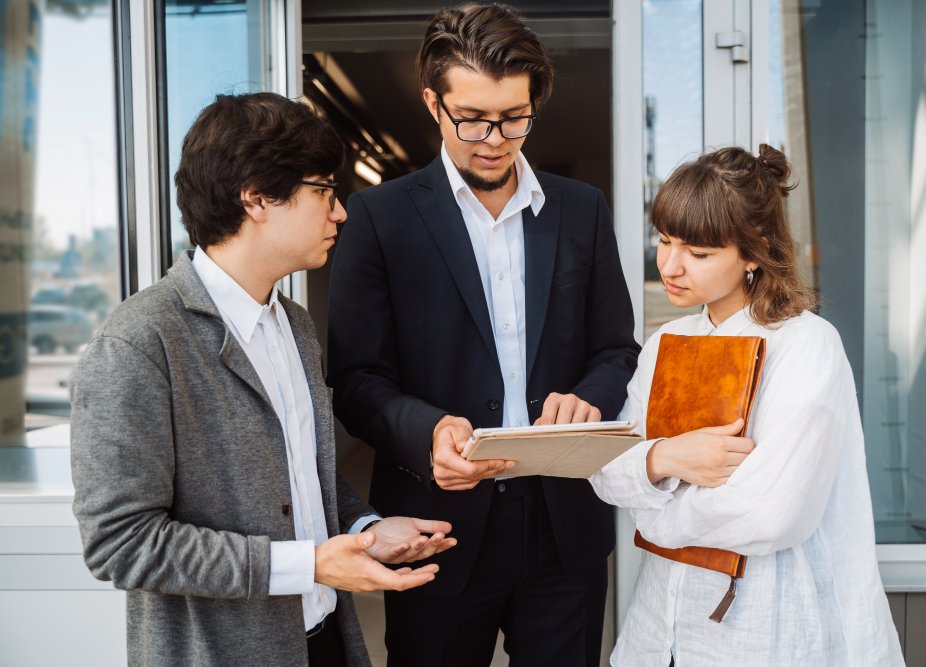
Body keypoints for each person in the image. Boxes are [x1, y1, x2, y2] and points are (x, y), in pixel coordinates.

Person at [70, 92, 457, 667]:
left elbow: (301, 476)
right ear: (256, 199)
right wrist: (310, 564)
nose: (340, 211)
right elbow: (121, 544)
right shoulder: (139, 342)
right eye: (322, 190)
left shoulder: (294, 325)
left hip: (325, 638)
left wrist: (366, 528)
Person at [326, 4, 649, 665]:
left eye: (513, 117)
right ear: (432, 104)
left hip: (566, 527)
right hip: (435, 526)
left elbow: (617, 348)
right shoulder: (378, 217)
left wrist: (587, 396)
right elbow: (355, 380)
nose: (494, 138)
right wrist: (427, 431)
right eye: (471, 117)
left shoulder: (581, 210)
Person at [590, 145, 904, 665]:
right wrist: (666, 458)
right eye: (664, 240)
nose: (669, 265)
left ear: (754, 251)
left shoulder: (805, 344)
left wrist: (655, 520)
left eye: (699, 252)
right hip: (657, 624)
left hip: (767, 626)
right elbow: (606, 471)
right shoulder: (666, 341)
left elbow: (772, 513)